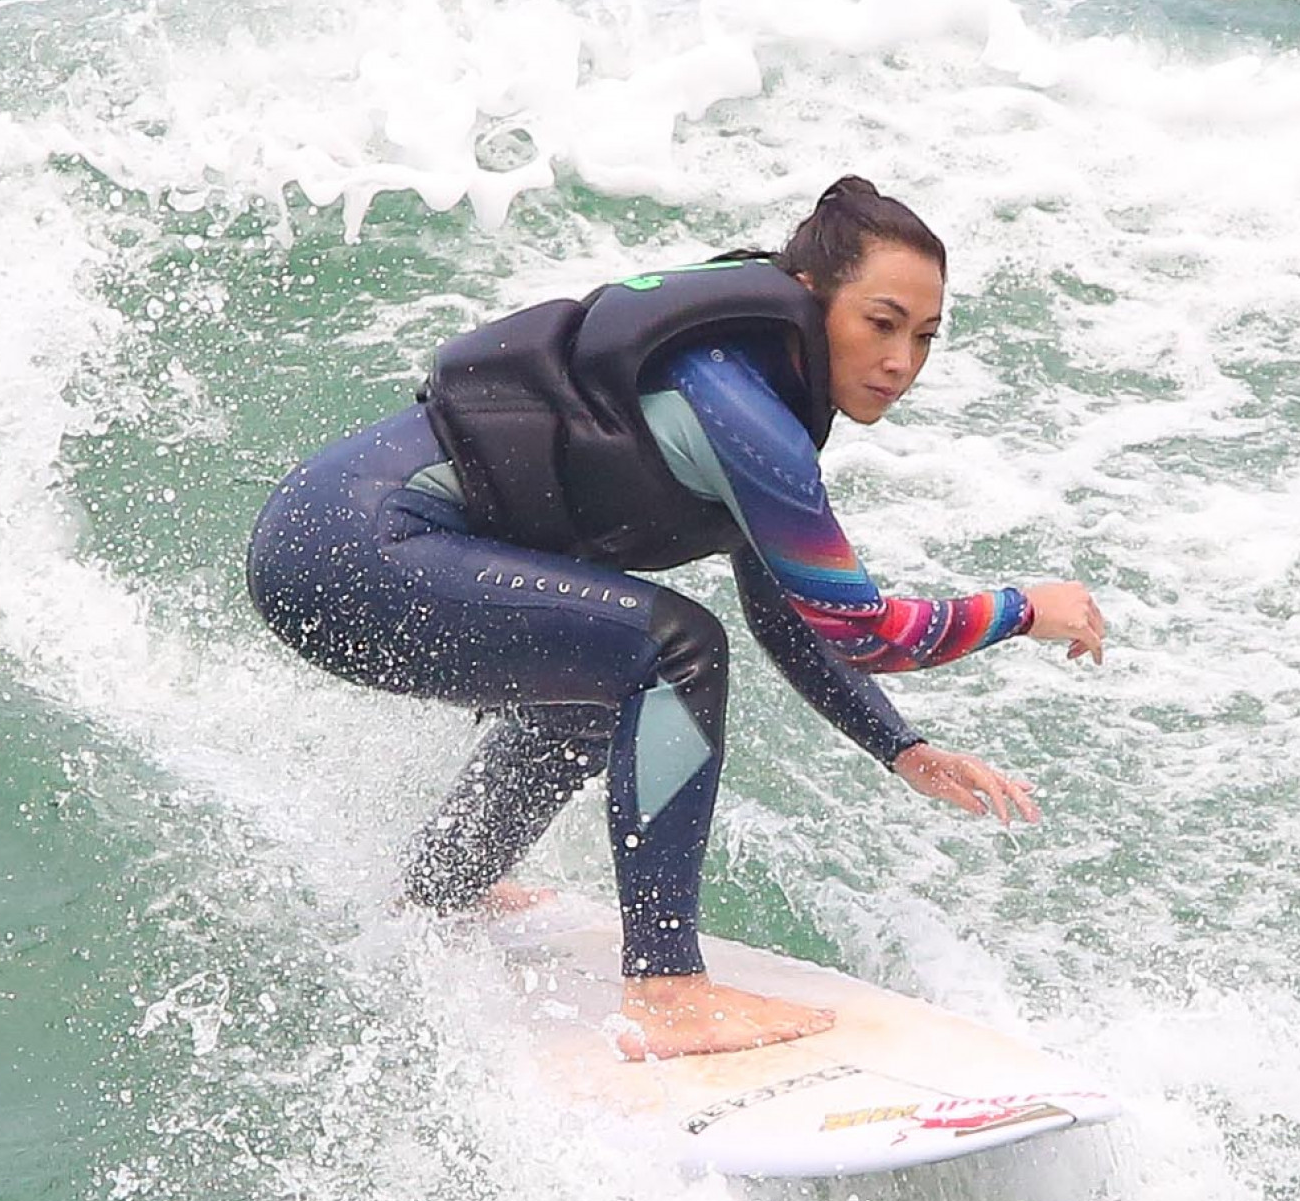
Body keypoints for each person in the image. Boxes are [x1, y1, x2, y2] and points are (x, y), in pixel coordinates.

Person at [248, 176, 1105, 1060]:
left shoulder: (754, 386)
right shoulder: (737, 410)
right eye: (880, 324)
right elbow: (865, 630)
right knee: (674, 650)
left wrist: (901, 747)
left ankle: (441, 890)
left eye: (923, 337)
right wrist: (1023, 609)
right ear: (813, 299)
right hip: (349, 550)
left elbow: (790, 617)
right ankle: (666, 987)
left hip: (332, 546)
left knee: (599, 681)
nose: (901, 361)